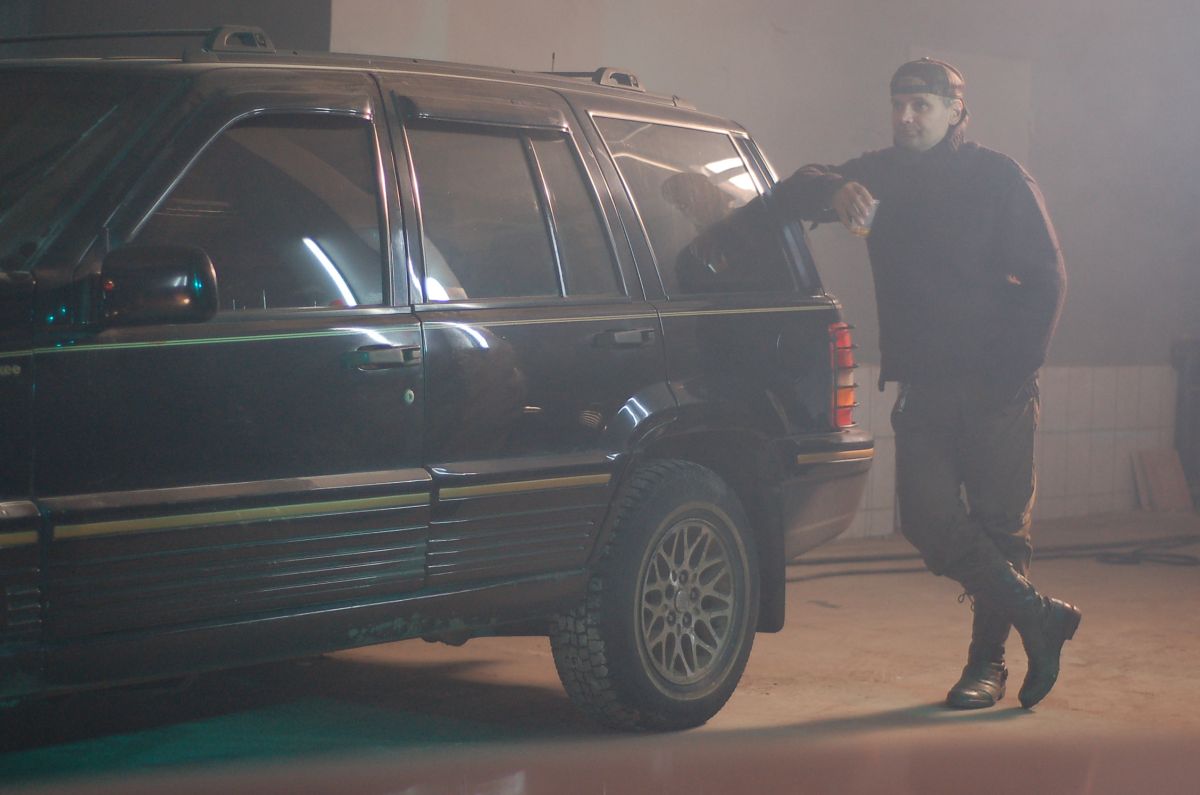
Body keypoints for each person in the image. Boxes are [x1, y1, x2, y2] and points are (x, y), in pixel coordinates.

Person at [775, 58, 1079, 709]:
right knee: (924, 517)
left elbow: (1049, 279)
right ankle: (1040, 616)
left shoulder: (998, 177)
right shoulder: (879, 174)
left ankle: (986, 665)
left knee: (999, 525)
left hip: (997, 386)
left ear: (955, 112)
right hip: (924, 384)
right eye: (899, 104)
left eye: (921, 105)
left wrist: (1013, 372)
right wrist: (835, 189)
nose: (906, 116)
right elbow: (795, 188)